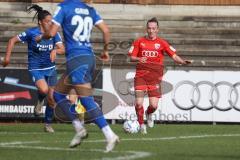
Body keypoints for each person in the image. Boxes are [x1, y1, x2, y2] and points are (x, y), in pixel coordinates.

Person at [36, 0, 119, 152]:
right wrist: (106, 51)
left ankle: (110, 135)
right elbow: (106, 31)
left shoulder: (64, 7)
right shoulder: (90, 9)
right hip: (88, 58)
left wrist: (42, 37)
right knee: (58, 95)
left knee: (87, 101)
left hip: (76, 60)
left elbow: (52, 33)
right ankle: (79, 128)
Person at [2, 5, 65, 133]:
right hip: (36, 68)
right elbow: (12, 40)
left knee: (52, 99)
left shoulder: (54, 34)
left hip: (51, 69)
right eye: (47, 21)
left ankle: (47, 124)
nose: (50, 24)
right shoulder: (31, 33)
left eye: (51, 21)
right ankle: (41, 99)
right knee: (44, 89)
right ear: (40, 22)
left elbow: (62, 49)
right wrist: (7, 58)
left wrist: (55, 50)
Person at [128, 17, 192, 134]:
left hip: (155, 78)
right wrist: (138, 58)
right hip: (141, 76)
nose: (151, 31)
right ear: (146, 29)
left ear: (157, 29)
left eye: (153, 28)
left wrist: (182, 61)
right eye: (149, 28)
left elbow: (173, 56)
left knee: (153, 105)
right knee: (138, 103)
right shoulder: (139, 41)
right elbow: (131, 57)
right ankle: (141, 125)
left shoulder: (162, 43)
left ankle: (149, 113)